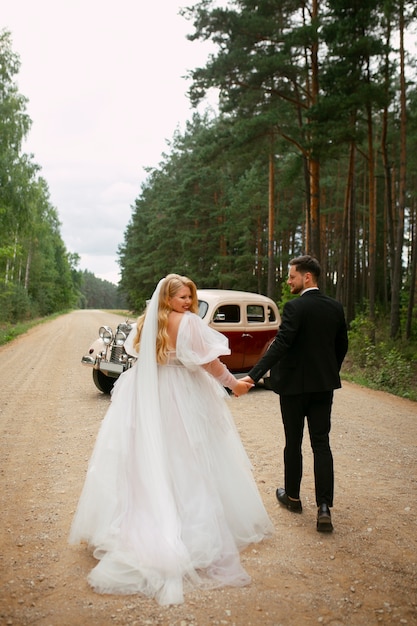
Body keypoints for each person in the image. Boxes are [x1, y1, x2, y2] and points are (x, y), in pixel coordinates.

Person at [69, 274, 273, 605]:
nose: (188, 302)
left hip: (149, 391)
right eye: (182, 297)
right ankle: (184, 526)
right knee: (186, 455)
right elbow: (208, 362)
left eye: (190, 297)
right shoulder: (189, 324)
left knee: (152, 453)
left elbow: (134, 352)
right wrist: (232, 384)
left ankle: (146, 516)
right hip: (182, 394)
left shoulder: (146, 321)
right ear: (168, 297)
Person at [242, 255, 348, 532]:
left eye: (291, 276)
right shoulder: (335, 308)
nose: (288, 281)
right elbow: (341, 346)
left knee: (293, 442)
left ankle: (292, 497)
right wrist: (328, 373)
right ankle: (324, 507)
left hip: (293, 389)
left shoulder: (295, 307)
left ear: (307, 278)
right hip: (323, 387)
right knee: (321, 444)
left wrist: (252, 376)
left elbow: (280, 346)